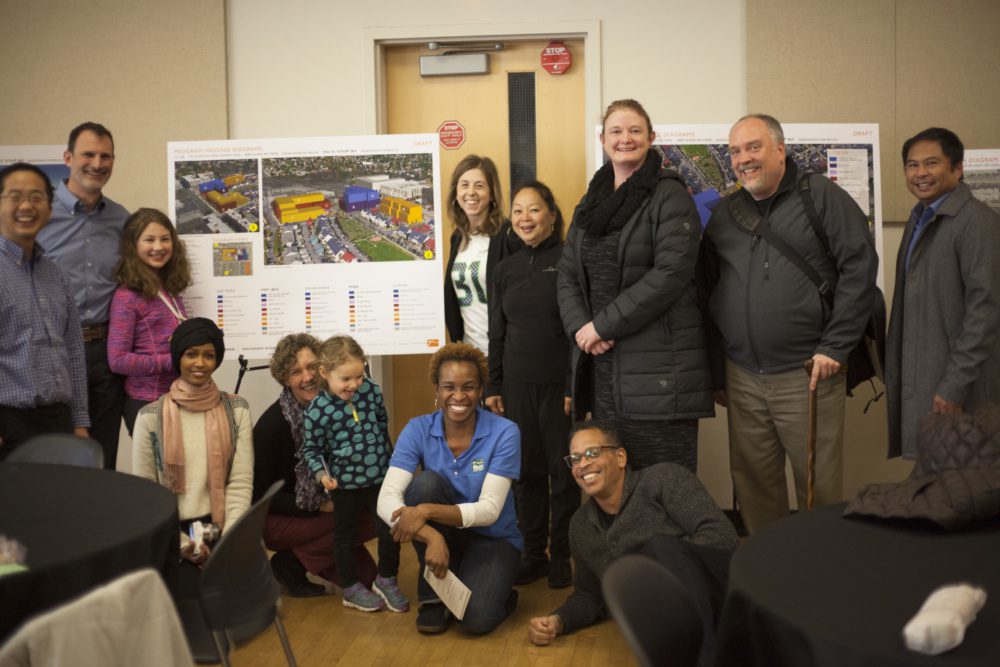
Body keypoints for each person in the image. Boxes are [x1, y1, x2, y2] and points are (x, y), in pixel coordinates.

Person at [700, 114, 878, 533]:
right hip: (742, 374)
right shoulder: (725, 213)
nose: (744, 159)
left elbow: (859, 267)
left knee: (817, 488)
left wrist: (835, 346)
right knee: (754, 488)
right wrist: (716, 371)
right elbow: (705, 289)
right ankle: (768, 580)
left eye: (754, 147)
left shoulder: (820, 196)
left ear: (780, 148)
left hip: (808, 373)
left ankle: (819, 582)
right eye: (736, 151)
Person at [558, 99, 712, 472]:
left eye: (634, 130)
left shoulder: (669, 194)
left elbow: (670, 274)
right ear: (603, 139)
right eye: (616, 131)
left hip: (657, 376)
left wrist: (602, 326)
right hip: (602, 370)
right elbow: (567, 274)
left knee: (665, 488)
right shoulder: (591, 201)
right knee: (615, 486)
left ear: (651, 137)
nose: (625, 138)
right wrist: (582, 328)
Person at [527, 420, 737, 667]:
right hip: (663, 620)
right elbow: (590, 596)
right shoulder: (580, 526)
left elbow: (722, 535)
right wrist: (558, 621)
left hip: (720, 596)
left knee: (659, 548)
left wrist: (659, 567)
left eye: (592, 453)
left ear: (620, 457)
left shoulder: (663, 479)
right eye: (574, 458)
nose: (583, 464)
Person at [377, 342, 522, 636]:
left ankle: (500, 591)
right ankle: (432, 596)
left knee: (475, 621)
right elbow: (385, 501)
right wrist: (431, 536)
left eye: (468, 387)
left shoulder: (505, 431)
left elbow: (490, 510)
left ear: (481, 389)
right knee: (424, 485)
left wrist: (426, 511)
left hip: (493, 539)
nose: (458, 396)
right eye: (449, 387)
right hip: (445, 538)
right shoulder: (417, 429)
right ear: (436, 389)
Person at [886, 127, 1000, 458]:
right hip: (926, 376)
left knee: (964, 484)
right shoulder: (919, 219)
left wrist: (953, 385)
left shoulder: (977, 223)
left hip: (959, 387)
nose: (920, 173)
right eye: (912, 165)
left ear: (957, 168)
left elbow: (985, 313)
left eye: (931, 163)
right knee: (934, 476)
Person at [485, 181, 577, 588]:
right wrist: (494, 386)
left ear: (552, 216)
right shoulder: (504, 268)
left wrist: (577, 386)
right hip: (517, 386)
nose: (525, 218)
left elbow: (579, 332)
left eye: (535, 210)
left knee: (564, 472)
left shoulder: (569, 261)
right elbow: (496, 334)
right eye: (518, 211)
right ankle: (533, 552)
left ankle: (562, 555)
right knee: (526, 473)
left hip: (560, 385)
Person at [252, 333, 378, 597]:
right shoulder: (272, 425)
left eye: (311, 367)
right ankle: (291, 562)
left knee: (368, 580)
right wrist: (317, 506)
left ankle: (293, 561)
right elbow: (259, 495)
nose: (307, 377)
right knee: (360, 516)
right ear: (285, 378)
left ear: (323, 369)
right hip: (282, 517)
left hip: (328, 510)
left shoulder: (340, 407)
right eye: (296, 371)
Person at [37, 122, 129, 469]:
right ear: (67, 157)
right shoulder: (39, 216)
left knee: (103, 456)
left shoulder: (122, 219)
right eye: (88, 154)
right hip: (54, 352)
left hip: (106, 354)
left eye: (105, 156)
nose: (97, 163)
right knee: (59, 457)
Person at [131, 317, 253, 570]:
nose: (200, 363)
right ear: (178, 358)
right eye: (191, 354)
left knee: (262, 606)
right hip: (172, 533)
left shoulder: (237, 409)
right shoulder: (149, 417)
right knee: (180, 606)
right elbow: (146, 497)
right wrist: (184, 545)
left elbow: (240, 483)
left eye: (208, 355)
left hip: (222, 526)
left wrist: (230, 538)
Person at [302, 336, 406, 613]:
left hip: (380, 478)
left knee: (390, 530)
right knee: (344, 537)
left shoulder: (371, 390)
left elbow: (382, 424)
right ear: (324, 374)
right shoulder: (317, 411)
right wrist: (321, 476)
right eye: (346, 379)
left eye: (359, 376)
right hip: (345, 486)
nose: (354, 384)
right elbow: (311, 451)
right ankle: (349, 587)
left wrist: (391, 460)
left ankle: (387, 579)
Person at [0, 163, 89, 456]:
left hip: (59, 422)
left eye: (37, 197)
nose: (26, 205)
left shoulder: (57, 275)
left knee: (59, 503)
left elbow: (74, 351)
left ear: (50, 209)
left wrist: (79, 422)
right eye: (15, 196)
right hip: (9, 424)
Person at [108, 208, 191, 434]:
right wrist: (173, 361)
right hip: (148, 403)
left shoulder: (168, 288)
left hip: (177, 396)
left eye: (165, 239)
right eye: (149, 240)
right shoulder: (127, 297)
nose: (158, 247)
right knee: (160, 470)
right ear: (133, 246)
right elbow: (117, 360)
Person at [443, 155, 521, 354]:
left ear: (492, 193)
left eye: (479, 185)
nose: (471, 192)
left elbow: (521, 299)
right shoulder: (457, 238)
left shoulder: (509, 236)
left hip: (504, 353)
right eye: (464, 185)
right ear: (456, 193)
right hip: (469, 353)